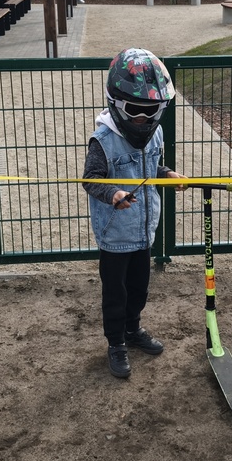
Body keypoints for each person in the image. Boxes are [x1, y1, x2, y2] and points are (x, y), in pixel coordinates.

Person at [82, 48, 187, 379]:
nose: (143, 119)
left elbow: (150, 165)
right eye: (136, 112)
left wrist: (166, 173)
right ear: (116, 103)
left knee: (140, 287)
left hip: (144, 231)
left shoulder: (155, 132)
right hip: (115, 235)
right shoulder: (102, 141)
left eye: (152, 111)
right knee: (116, 292)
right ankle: (115, 342)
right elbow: (90, 180)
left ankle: (133, 329)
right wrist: (112, 194)